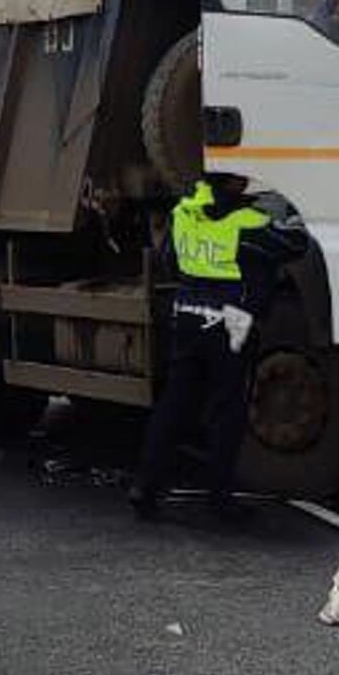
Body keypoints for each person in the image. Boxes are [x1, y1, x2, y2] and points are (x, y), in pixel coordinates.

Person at [131, 171, 308, 523]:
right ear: (233, 183)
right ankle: (219, 499)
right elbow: (295, 244)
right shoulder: (248, 223)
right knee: (226, 411)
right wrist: (291, 212)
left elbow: (170, 260)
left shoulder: (184, 212)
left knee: (174, 405)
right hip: (229, 324)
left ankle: (145, 488)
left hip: (186, 316)